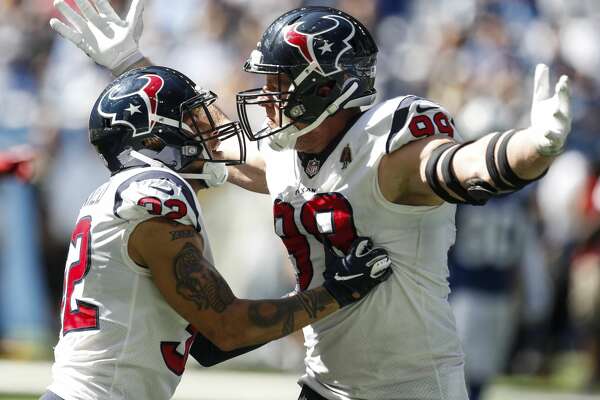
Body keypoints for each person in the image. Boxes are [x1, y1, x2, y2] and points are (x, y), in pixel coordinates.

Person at [51, 2, 572, 399]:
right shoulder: (286, 155)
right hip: (325, 385)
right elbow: (193, 142)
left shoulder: (387, 148)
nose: (266, 99)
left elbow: (464, 164)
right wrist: (134, 69)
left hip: (409, 387)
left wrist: (533, 147)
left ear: (327, 88)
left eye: (279, 85)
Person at [39, 64, 392, 400]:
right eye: (192, 119)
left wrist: (317, 296)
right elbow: (227, 329)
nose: (209, 129)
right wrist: (338, 292)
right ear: (154, 140)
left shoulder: (120, 194)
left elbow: (210, 342)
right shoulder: (157, 192)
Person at [448, 193, 552, 400]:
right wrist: (536, 302)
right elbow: (531, 260)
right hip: (490, 295)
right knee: (468, 368)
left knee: (465, 369)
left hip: (467, 293)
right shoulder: (517, 201)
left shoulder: (463, 196)